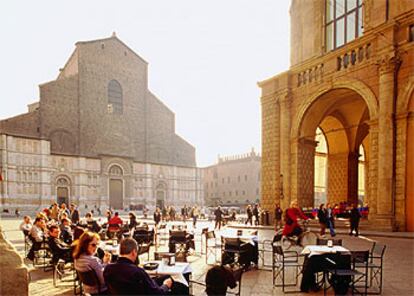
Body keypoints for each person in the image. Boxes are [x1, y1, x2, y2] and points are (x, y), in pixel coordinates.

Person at [104, 238, 174, 295]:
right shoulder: (137, 272)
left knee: (162, 278)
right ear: (134, 252)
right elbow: (157, 294)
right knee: (170, 281)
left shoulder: (108, 269)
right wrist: (166, 286)